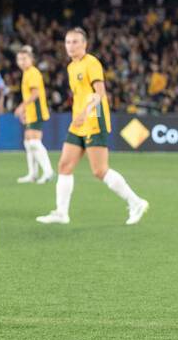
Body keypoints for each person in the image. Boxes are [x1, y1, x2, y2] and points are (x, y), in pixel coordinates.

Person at [37, 27, 149, 225]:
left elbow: (100, 94)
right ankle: (61, 213)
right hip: (78, 122)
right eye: (67, 42)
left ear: (84, 44)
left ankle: (136, 202)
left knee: (99, 170)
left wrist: (86, 113)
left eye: (75, 42)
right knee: (64, 165)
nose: (70, 46)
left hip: (94, 120)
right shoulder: (72, 67)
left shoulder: (92, 63)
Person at [13, 46, 54, 184]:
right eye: (19, 59)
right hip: (30, 112)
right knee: (28, 142)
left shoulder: (33, 73)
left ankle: (48, 172)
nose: (21, 62)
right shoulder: (26, 73)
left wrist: (21, 107)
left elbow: (35, 94)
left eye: (24, 59)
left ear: (31, 59)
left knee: (34, 142)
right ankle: (33, 174)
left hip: (36, 111)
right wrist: (25, 111)